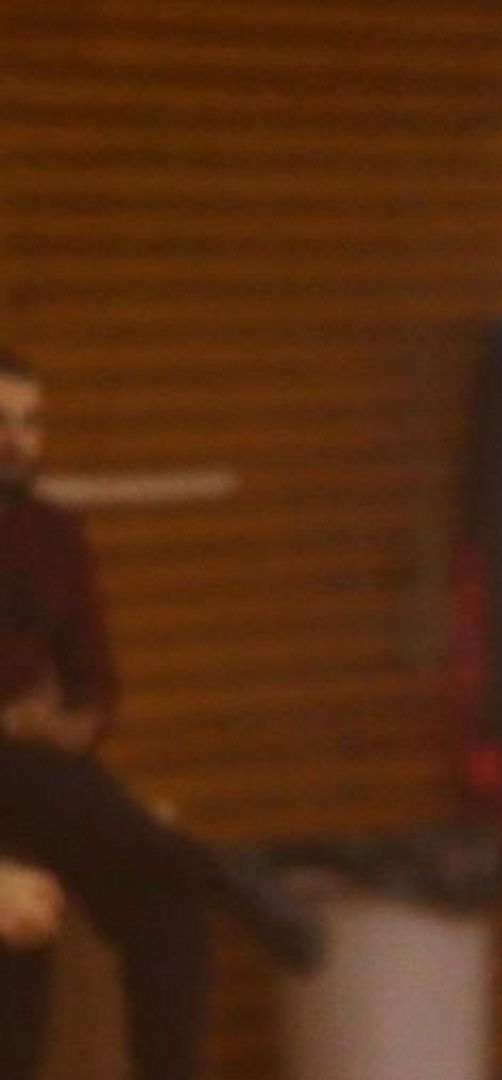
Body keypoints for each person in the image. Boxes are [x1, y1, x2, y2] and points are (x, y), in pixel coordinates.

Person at [0, 348, 322, 1080]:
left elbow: (96, 679)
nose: (17, 440)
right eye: (2, 423)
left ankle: (197, 877)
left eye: (30, 423)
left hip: (47, 776)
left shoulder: (54, 535)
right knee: (26, 913)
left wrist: (72, 723)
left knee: (170, 906)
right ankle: (219, 870)